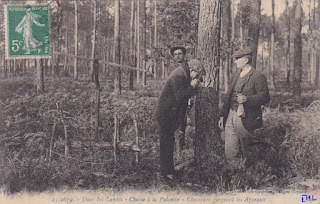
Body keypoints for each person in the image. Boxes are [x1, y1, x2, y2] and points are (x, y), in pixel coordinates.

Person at [154, 46, 202, 181]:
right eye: (196, 75)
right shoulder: (178, 75)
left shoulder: (184, 74)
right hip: (165, 114)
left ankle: (169, 171)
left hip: (171, 114)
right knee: (166, 143)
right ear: (191, 70)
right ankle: (166, 173)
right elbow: (180, 95)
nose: (196, 78)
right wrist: (192, 86)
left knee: (168, 142)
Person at [218, 47, 270, 169]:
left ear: (246, 60)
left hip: (247, 117)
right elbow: (228, 96)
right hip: (231, 114)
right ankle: (235, 173)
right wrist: (222, 115)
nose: (235, 61)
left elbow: (265, 97)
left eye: (237, 59)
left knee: (249, 149)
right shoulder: (235, 75)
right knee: (230, 149)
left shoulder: (258, 76)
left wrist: (248, 99)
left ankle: (253, 175)